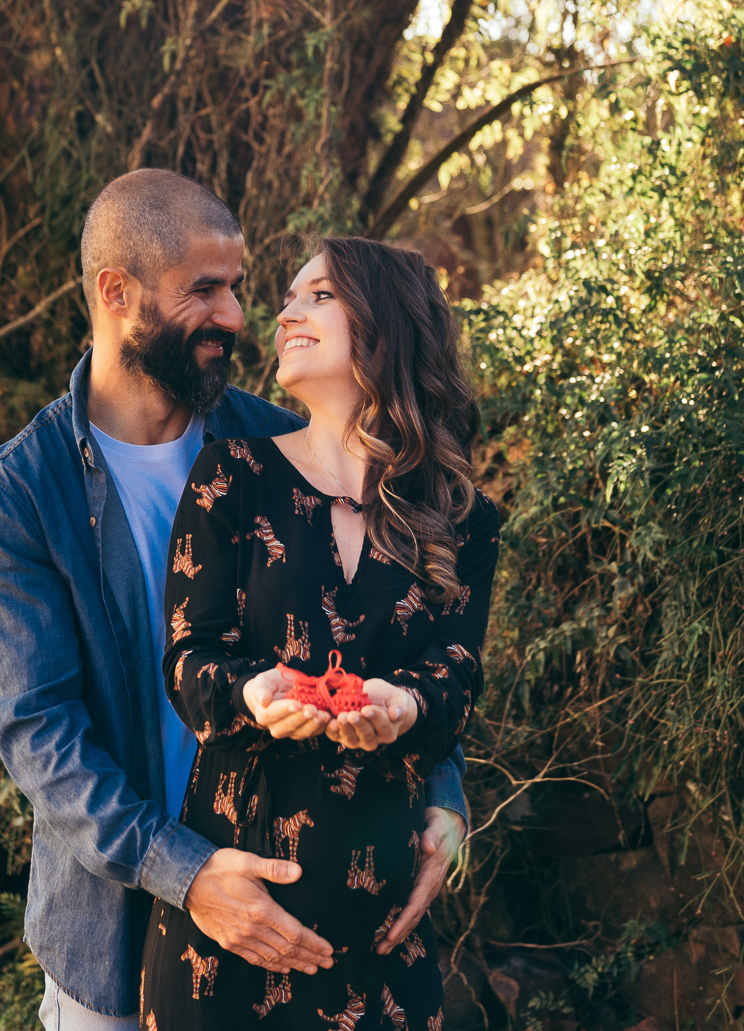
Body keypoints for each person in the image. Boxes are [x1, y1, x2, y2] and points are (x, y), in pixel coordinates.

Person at [0, 171, 469, 1030]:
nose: (235, 317)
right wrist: (186, 873)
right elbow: (39, 733)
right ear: (116, 293)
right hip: (114, 930)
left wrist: (441, 797)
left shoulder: (283, 443)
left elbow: (401, 647)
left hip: (300, 901)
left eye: (236, 287)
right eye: (204, 290)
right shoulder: (21, 493)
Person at [139, 235, 501, 1030]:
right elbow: (188, 663)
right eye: (288, 298)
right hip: (232, 917)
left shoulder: (463, 517)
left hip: (382, 933)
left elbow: (456, 678)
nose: (284, 313)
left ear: (386, 323)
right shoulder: (230, 476)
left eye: (319, 295)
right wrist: (253, 692)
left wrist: (405, 707)